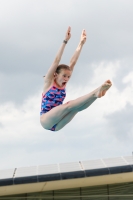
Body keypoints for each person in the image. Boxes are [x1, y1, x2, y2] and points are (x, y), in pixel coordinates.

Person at [40, 27, 112, 131]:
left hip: (57, 125)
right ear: (55, 74)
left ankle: (96, 95)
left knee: (76, 108)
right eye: (64, 76)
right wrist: (65, 41)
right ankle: (96, 92)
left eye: (68, 77)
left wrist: (81, 43)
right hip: (46, 120)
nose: (66, 79)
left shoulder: (64, 84)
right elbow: (56, 60)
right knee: (69, 105)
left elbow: (73, 62)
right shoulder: (48, 82)